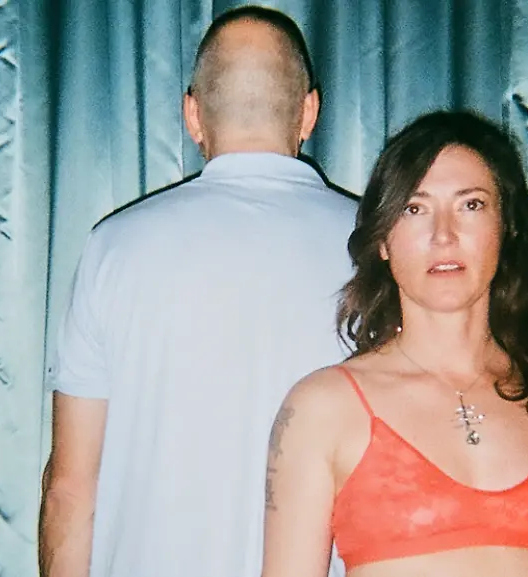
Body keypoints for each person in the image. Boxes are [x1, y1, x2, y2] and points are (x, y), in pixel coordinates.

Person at [39, 6, 357, 577]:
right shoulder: (382, 251)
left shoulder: (114, 247)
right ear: (309, 111)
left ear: (192, 115)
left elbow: (70, 488)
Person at [261, 110, 528, 577]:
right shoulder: (322, 408)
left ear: (507, 227)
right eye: (414, 208)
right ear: (383, 241)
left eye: (471, 205)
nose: (444, 235)